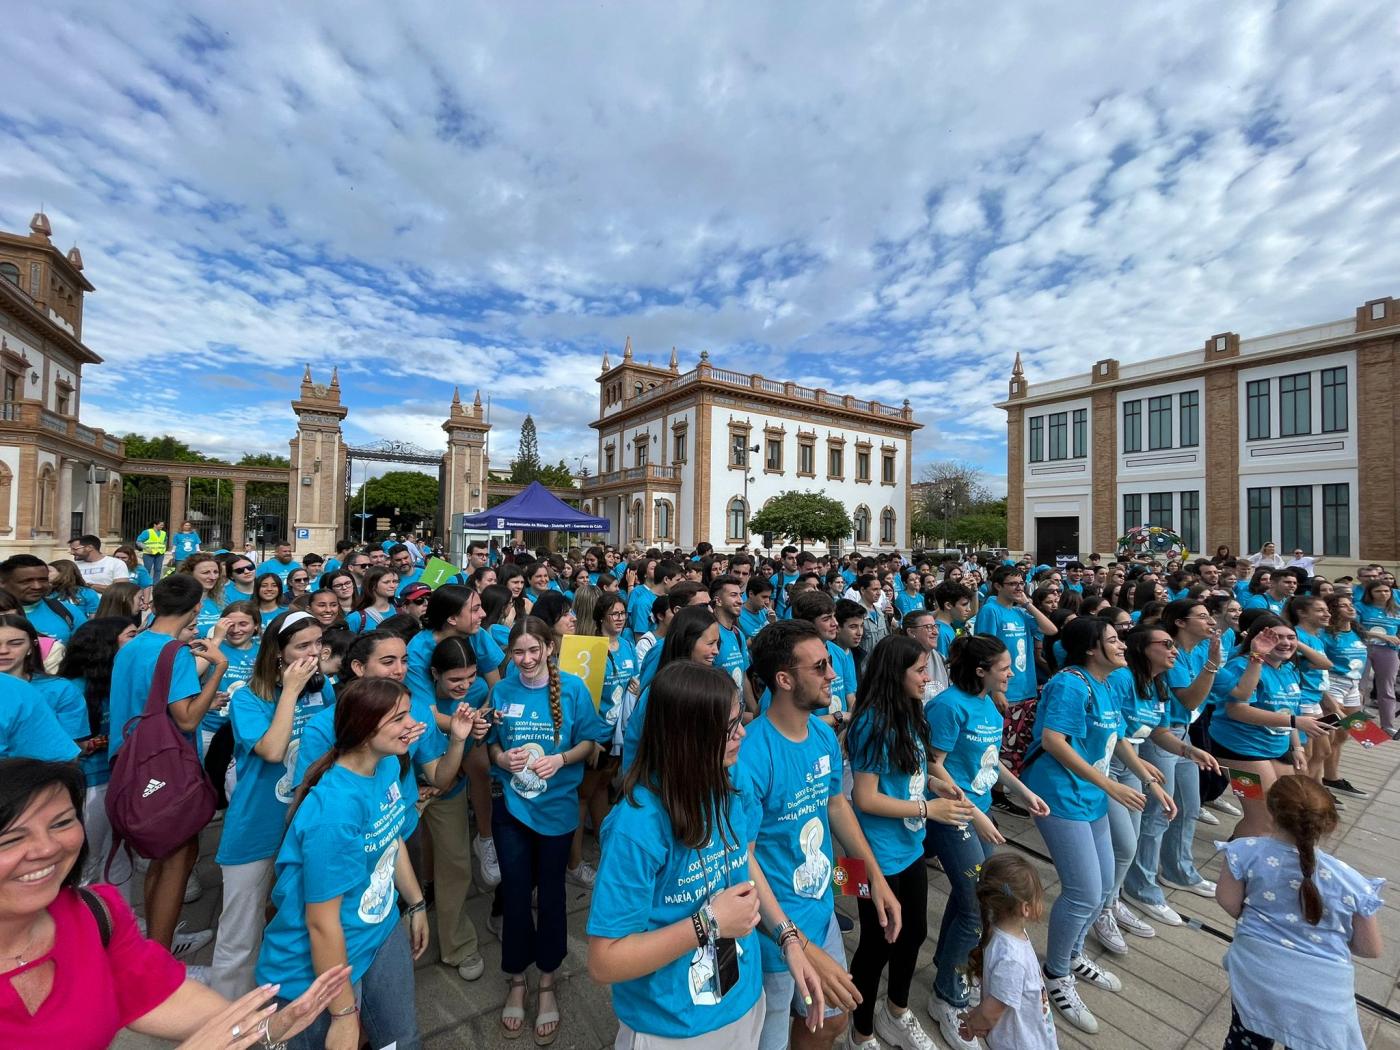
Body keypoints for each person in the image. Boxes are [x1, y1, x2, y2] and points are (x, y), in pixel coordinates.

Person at [0, 758, 350, 1046]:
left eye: (61, 823)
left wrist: (266, 1028)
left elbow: (159, 995)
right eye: (12, 838)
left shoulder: (95, 914)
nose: (47, 849)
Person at [587, 661, 824, 1048]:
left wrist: (787, 936)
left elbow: (741, 860)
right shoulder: (637, 825)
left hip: (743, 998)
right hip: (672, 1025)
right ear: (688, 735)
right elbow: (604, 960)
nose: (743, 732)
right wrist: (707, 924)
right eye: (729, 726)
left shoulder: (731, 777)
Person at [742, 620, 898, 1050]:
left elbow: (835, 806)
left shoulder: (824, 734)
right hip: (772, 931)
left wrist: (874, 878)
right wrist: (792, 937)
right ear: (784, 679)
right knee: (769, 1037)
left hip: (822, 908)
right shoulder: (751, 754)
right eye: (820, 666)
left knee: (831, 1021)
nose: (833, 674)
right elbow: (743, 855)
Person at [1019, 617, 1175, 1035]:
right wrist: (1110, 785)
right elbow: (1053, 740)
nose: (1123, 645)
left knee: (1105, 883)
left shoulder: (1105, 683)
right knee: (1083, 890)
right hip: (1060, 795)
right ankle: (1055, 974)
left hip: (1090, 795)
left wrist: (1149, 781)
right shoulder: (1071, 683)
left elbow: (1117, 739)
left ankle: (1070, 955)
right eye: (1112, 639)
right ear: (1091, 648)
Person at [254, 679, 429, 1050]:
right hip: (315, 969)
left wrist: (415, 903)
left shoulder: (385, 767)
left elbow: (390, 838)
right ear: (366, 730)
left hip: (378, 933)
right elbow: (321, 924)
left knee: (402, 1041)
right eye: (399, 718)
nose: (411, 723)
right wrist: (344, 1015)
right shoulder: (333, 813)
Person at [845, 634, 977, 1050]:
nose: (927, 678)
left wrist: (937, 785)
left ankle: (896, 1011)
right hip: (867, 855)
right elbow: (863, 797)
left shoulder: (909, 713)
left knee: (915, 931)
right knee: (875, 944)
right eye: (920, 670)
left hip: (908, 846)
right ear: (894, 673)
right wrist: (926, 810)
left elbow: (909, 773)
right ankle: (860, 1031)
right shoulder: (870, 721)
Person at [486, 616, 611, 1043]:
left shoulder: (573, 688)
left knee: (552, 895)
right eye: (517, 652)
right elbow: (492, 742)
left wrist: (560, 760)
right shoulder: (501, 689)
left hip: (557, 813)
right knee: (517, 894)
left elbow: (590, 742)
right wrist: (501, 760)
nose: (525, 659)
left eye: (533, 650)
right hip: (512, 812)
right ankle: (517, 978)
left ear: (548, 648)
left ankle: (547, 980)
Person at [925, 634, 1048, 1047]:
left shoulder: (989, 706)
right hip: (954, 816)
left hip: (977, 810)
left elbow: (989, 763)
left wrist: (1023, 792)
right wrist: (975, 815)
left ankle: (949, 967)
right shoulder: (947, 706)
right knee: (977, 905)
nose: (1012, 672)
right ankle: (947, 993)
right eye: (1004, 667)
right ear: (981, 670)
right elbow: (934, 767)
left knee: (974, 900)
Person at [210, 610, 334, 998]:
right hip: (256, 826)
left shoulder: (323, 688)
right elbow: (272, 748)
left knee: (294, 919)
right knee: (240, 932)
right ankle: (228, 1017)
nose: (313, 653)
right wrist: (291, 692)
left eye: (318, 643)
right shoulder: (247, 697)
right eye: (302, 646)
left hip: (302, 823)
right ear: (278, 652)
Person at [1215, 775, 1383, 1050]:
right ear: (1330, 823)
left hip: (1256, 970)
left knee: (1246, 1038)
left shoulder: (1243, 851)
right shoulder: (1352, 883)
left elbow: (1229, 903)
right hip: (1321, 993)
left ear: (1270, 810)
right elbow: (1370, 948)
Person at [1121, 599, 1222, 928]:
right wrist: (1212, 666)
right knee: (1158, 813)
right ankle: (1141, 886)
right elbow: (1191, 699)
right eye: (1203, 616)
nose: (1211, 622)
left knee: (1189, 805)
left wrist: (1188, 750)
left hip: (1177, 734)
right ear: (1179, 622)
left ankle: (1179, 869)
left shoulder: (1181, 656)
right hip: (1150, 738)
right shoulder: (1167, 658)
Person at [1206, 615, 1335, 838]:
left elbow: (1289, 710)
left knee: (1284, 812)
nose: (1285, 643)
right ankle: (1234, 866)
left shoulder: (1289, 668)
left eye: (1291, 637)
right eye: (1276, 637)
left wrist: (1296, 747)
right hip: (1238, 750)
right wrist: (1295, 722)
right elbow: (1237, 710)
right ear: (1259, 639)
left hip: (1275, 747)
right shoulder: (1241, 665)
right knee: (1262, 818)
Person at [421, 637, 493, 983]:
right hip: (409, 790)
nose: (464, 686)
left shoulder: (477, 691)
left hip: (448, 790)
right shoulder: (418, 696)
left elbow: (474, 745)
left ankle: (458, 944)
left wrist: (472, 740)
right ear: (434, 673)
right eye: (454, 680)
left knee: (456, 863)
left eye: (470, 677)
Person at [956, 853, 1057, 1050]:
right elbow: (992, 1011)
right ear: (1025, 908)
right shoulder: (1012, 958)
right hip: (1022, 1042)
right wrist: (974, 1023)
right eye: (1039, 898)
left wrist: (977, 1019)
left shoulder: (1001, 934)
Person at [1320, 592, 1371, 798]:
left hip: (1353, 685)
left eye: (1351, 604)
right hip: (1333, 684)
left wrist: (1360, 687)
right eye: (1343, 605)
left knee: (1343, 734)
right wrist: (1326, 695)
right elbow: (1318, 667)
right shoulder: (1325, 635)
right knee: (1328, 735)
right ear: (1332, 610)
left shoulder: (1357, 631)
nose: (1351, 608)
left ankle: (1332, 777)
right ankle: (1318, 778)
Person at [1354, 578, 1400, 736]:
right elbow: (1354, 629)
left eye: (1387, 591)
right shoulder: (1360, 607)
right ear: (1370, 593)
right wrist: (1382, 636)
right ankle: (1358, 726)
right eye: (1378, 591)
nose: (1383, 594)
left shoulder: (1396, 610)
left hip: (1388, 651)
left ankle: (1387, 725)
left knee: (1387, 689)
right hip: (1362, 649)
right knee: (1358, 687)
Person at [346, 566, 399, 633]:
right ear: (373, 585)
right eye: (386, 582)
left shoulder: (400, 611)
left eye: (394, 581)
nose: (393, 586)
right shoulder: (356, 618)